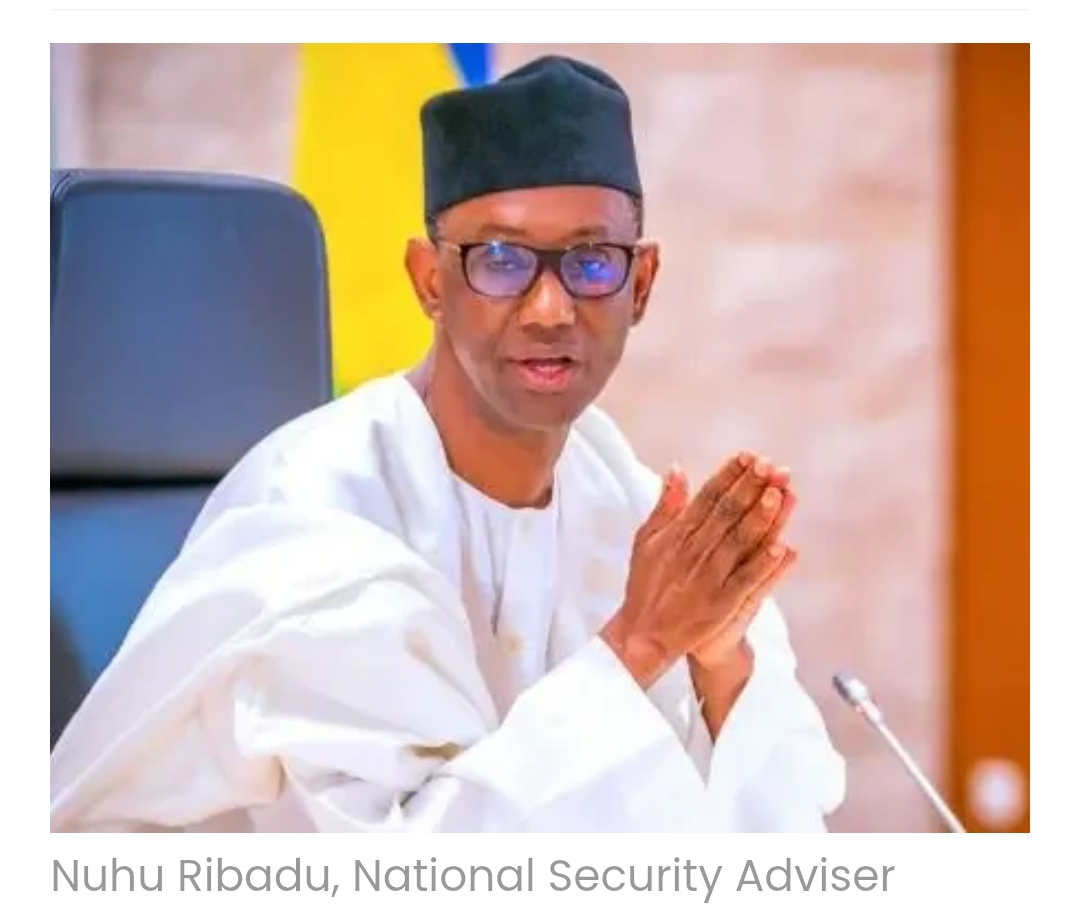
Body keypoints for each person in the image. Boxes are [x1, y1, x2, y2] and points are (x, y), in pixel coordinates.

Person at [49, 54, 845, 833]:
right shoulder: (320, 519)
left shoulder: (628, 503)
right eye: (499, 259)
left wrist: (719, 665)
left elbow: (781, 840)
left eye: (591, 261)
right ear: (430, 280)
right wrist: (641, 641)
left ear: (640, 285)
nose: (549, 308)